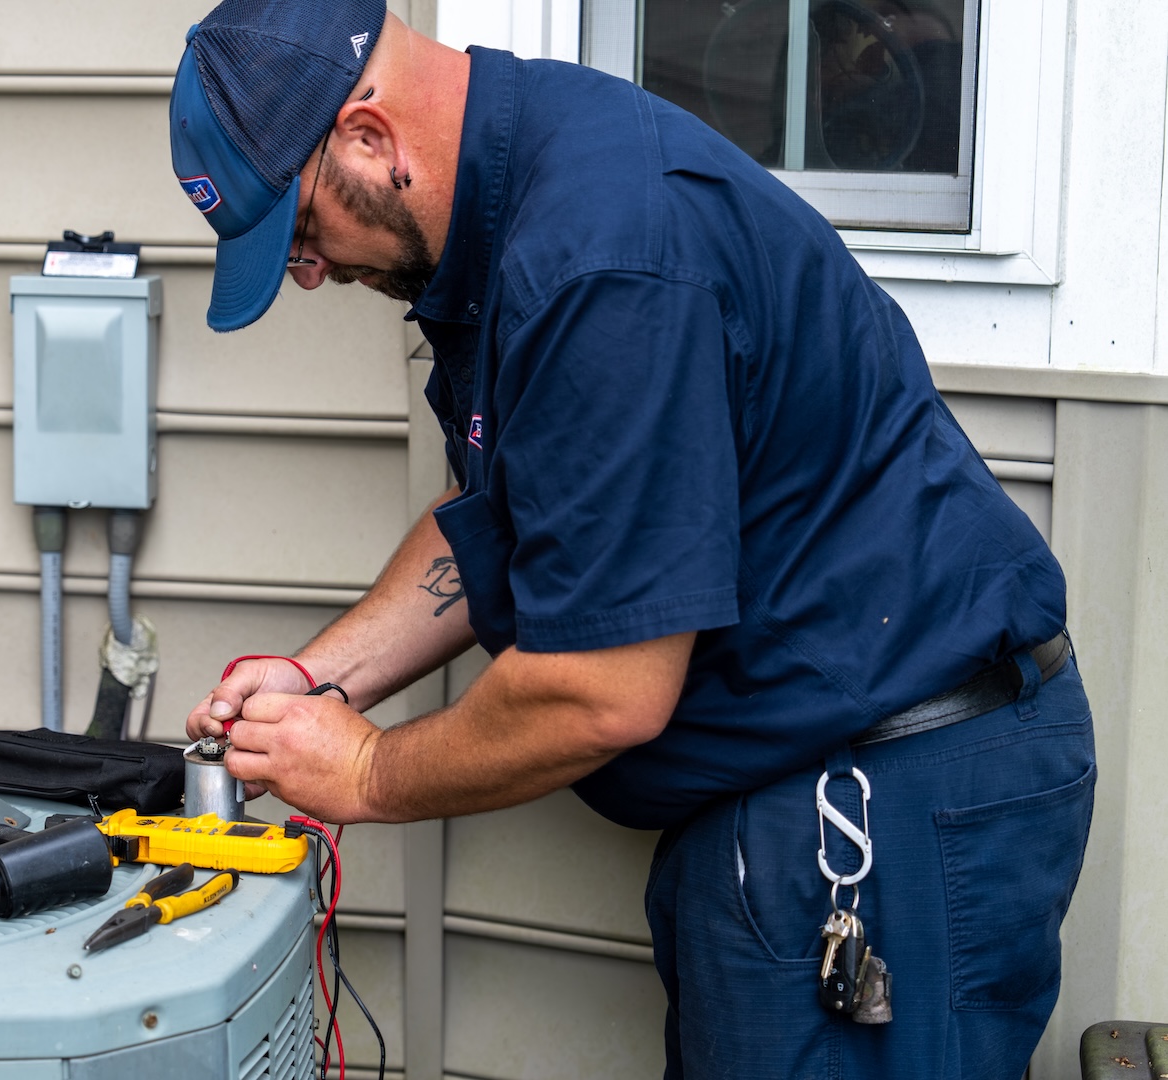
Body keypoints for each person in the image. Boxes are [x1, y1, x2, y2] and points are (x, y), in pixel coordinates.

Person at [168, 2, 1096, 1076]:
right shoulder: (509, 208)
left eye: (305, 230)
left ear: (370, 141)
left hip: (887, 801)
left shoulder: (599, 262)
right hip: (804, 782)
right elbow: (517, 514)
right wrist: (319, 679)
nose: (312, 272)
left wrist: (368, 772)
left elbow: (604, 689)